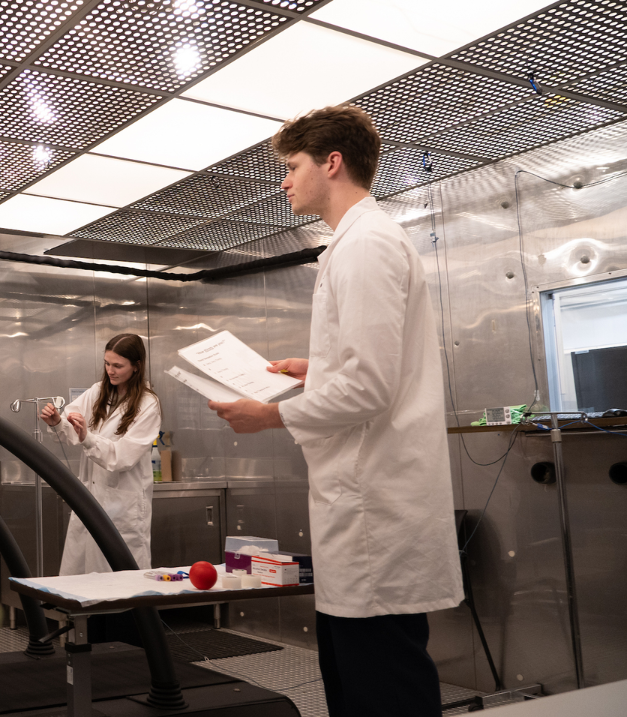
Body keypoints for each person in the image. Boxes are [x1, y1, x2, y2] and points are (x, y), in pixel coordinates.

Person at [206, 106, 463, 717]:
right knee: (355, 682)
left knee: (383, 690)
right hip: (361, 509)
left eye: (292, 166)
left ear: (332, 162)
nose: (284, 181)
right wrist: (313, 369)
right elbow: (375, 371)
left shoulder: (366, 245)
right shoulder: (354, 244)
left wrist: (266, 416)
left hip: (375, 509)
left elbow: (371, 389)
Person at [39, 333, 161, 575]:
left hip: (123, 507)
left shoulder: (148, 404)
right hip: (92, 498)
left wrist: (87, 437)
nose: (110, 371)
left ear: (136, 367)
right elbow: (71, 427)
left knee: (122, 585)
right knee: (84, 582)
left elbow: (122, 457)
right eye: (107, 363)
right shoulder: (98, 392)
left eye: (118, 366)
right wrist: (57, 422)